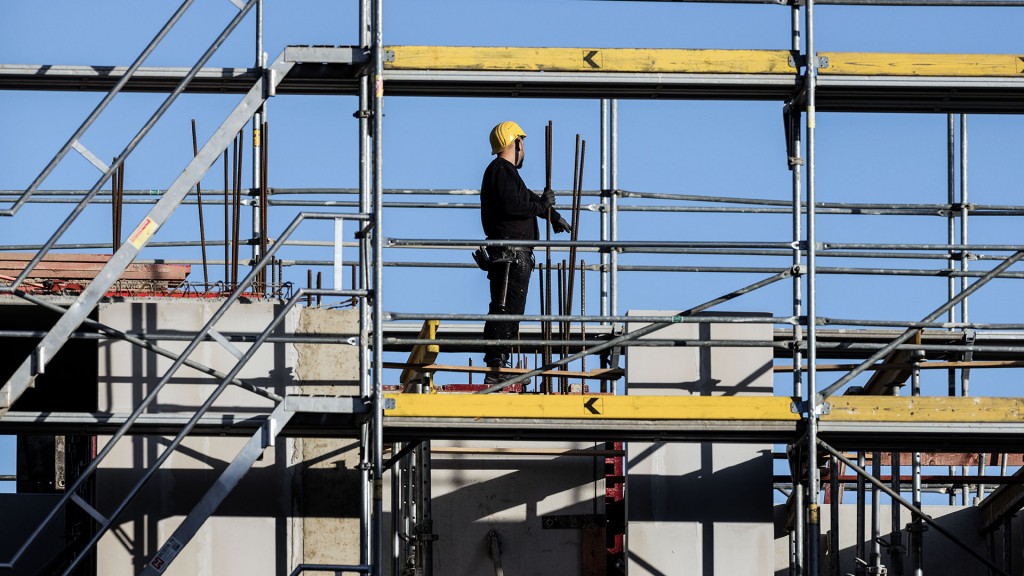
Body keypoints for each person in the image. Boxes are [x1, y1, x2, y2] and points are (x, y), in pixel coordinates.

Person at [479, 121, 571, 385]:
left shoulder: (507, 174)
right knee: (506, 309)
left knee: (511, 309)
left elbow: (527, 200)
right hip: (511, 254)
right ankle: (497, 365)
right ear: (516, 142)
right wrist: (542, 205)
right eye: (523, 143)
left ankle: (500, 362)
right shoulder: (500, 170)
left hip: (515, 255)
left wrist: (552, 215)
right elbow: (514, 205)